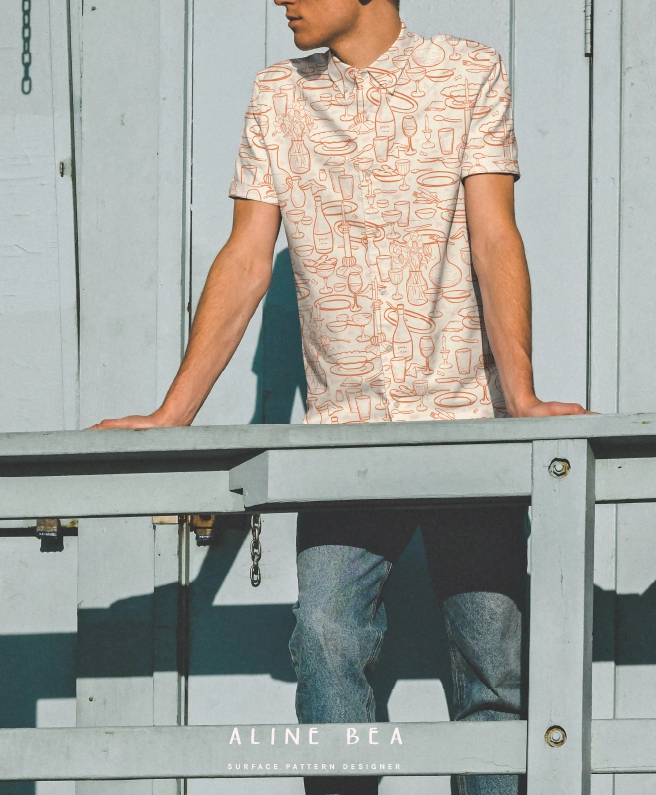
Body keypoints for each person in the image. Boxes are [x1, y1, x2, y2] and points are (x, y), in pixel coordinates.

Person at [92, 1, 589, 792]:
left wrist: (521, 396)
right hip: (343, 435)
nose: (281, 0)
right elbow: (247, 257)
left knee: (492, 659)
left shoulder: (468, 71)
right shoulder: (277, 94)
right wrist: (170, 413)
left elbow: (495, 232)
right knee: (324, 638)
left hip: (468, 423)